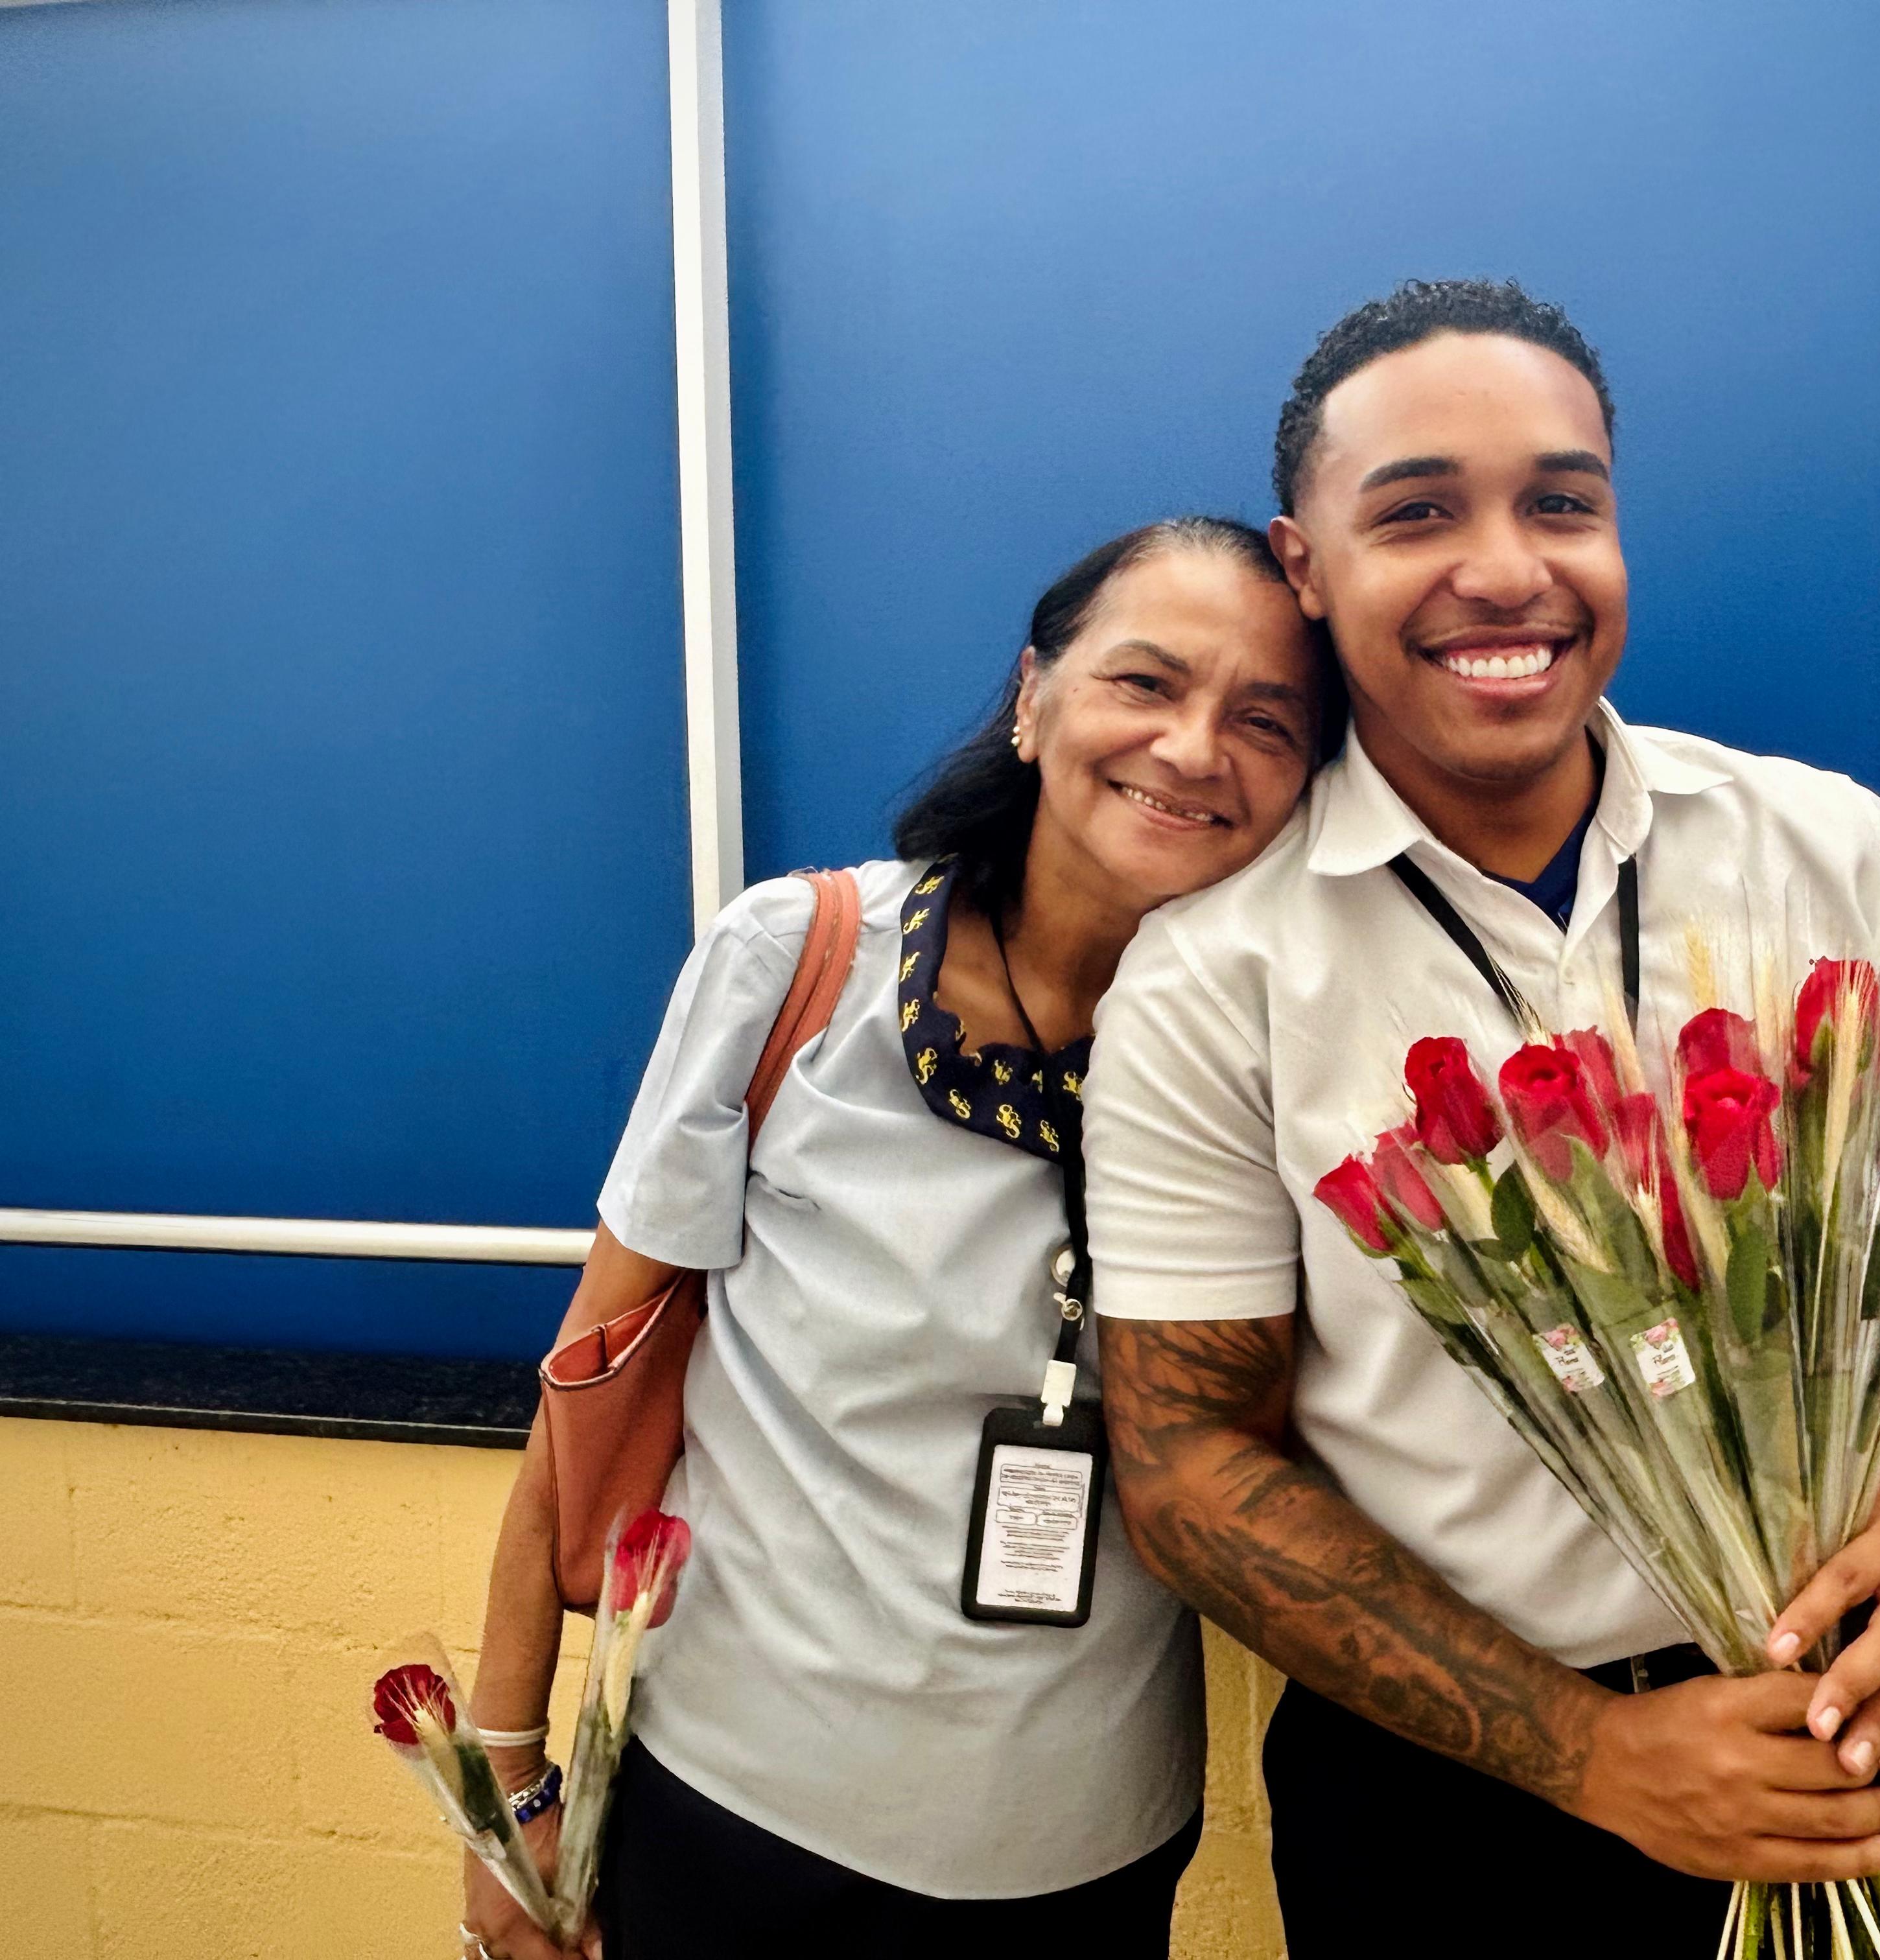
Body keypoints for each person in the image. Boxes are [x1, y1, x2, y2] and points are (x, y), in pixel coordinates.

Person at [1085, 283, 1880, 1955]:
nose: (1506, 569)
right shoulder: (1213, 978)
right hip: (1454, 1807)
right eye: (1419, 513)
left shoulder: (1827, 848)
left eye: (1561, 503)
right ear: (1306, 568)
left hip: (1861, 1735)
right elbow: (1191, 1466)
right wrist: (1593, 1755)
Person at [459, 517, 1337, 1960]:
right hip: (737, 1804)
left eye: (1266, 720)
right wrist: (508, 1777)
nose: (1194, 748)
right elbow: (588, 1380)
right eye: (1146, 682)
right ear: (1033, 698)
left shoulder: (1281, 1056)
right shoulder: (798, 962)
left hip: (1087, 1839)